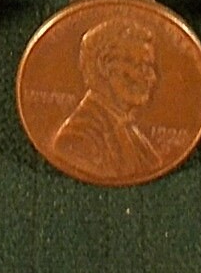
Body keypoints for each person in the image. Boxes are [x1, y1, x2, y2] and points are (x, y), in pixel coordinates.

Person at [50, 15, 166, 181]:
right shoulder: (77, 139)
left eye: (149, 67)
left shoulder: (134, 135)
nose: (152, 77)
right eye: (140, 66)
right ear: (105, 66)